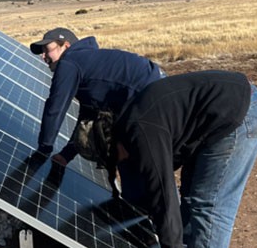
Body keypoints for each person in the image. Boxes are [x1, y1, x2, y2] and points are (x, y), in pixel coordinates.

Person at [93, 70, 257, 248]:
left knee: (209, 204)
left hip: (237, 114)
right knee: (192, 196)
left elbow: (162, 189)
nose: (122, 165)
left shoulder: (141, 133)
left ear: (113, 145)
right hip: (216, 113)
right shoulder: (129, 124)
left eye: (116, 160)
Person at [30, 27, 164, 172]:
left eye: (47, 49)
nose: (43, 56)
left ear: (66, 46)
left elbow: (55, 108)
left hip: (149, 98)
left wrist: (44, 148)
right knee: (135, 161)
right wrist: (66, 155)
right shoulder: (88, 63)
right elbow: (89, 115)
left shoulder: (69, 62)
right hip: (157, 91)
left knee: (136, 163)